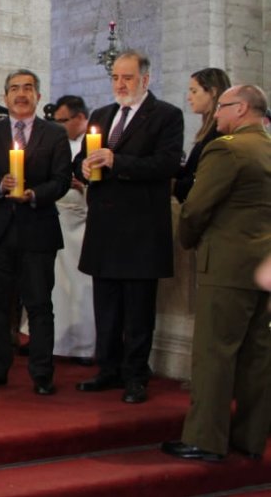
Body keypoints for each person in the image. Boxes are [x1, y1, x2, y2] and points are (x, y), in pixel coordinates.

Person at [162, 85, 271, 462]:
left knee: (214, 353)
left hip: (227, 267)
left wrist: (188, 241)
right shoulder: (267, 147)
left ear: (240, 109)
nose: (216, 116)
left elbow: (195, 208)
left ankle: (205, 439)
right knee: (259, 356)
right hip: (264, 267)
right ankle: (250, 437)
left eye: (222, 107)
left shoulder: (228, 148)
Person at [77, 49, 183, 404]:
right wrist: (83, 169)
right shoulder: (103, 115)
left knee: (138, 309)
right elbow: (81, 161)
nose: (120, 85)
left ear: (145, 80)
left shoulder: (166, 116)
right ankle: (107, 368)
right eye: (115, 78)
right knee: (106, 305)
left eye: (127, 78)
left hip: (141, 229)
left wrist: (115, 160)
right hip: (105, 227)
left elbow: (166, 164)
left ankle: (136, 375)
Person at [0, 70, 71, 395]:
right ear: (6, 96)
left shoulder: (54, 134)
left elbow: (62, 179)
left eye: (28, 88)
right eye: (14, 89)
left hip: (37, 229)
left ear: (38, 96)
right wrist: (0, 185)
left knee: (39, 304)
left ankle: (41, 374)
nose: (21, 94)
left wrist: (35, 194)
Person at [48, 95, 95, 363]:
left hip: (84, 221)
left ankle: (86, 344)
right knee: (57, 286)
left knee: (83, 284)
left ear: (80, 119)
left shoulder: (91, 144)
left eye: (62, 121)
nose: (57, 126)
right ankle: (58, 342)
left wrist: (84, 186)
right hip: (60, 218)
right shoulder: (58, 143)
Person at [173, 68, 231, 203]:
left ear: (213, 92)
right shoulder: (208, 129)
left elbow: (206, 180)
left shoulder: (219, 131)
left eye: (194, 91)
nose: (189, 97)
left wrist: (173, 185)